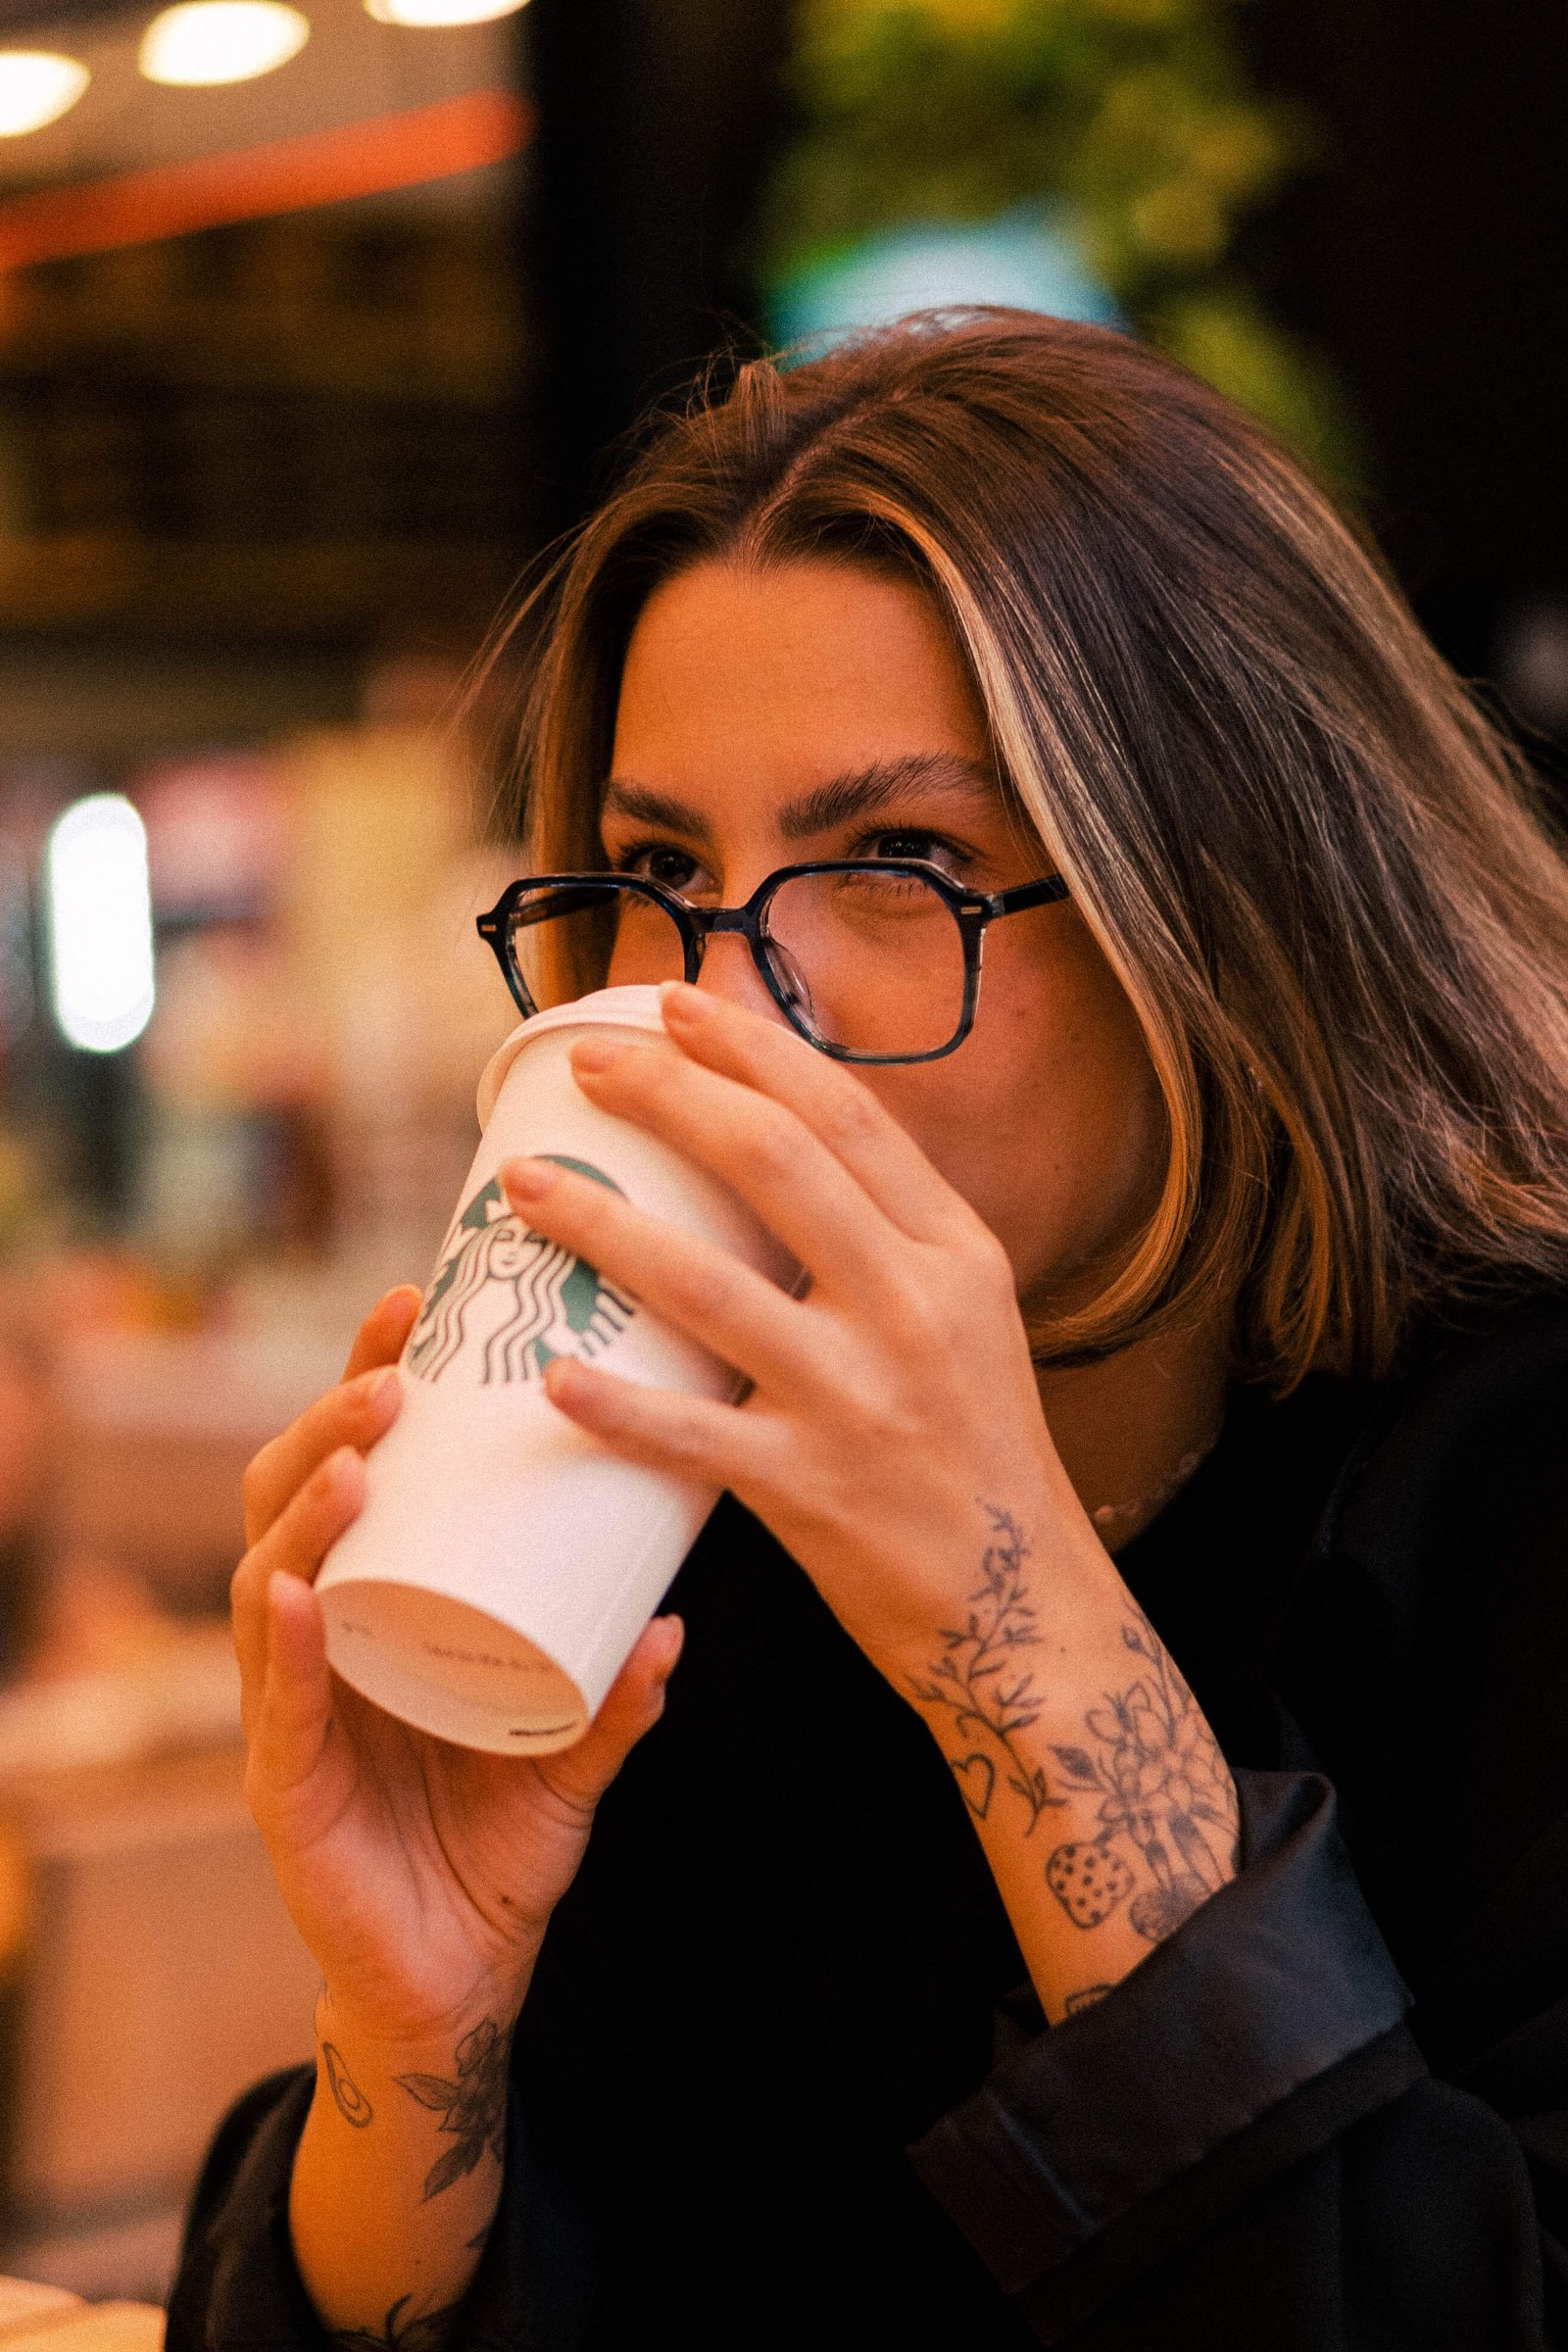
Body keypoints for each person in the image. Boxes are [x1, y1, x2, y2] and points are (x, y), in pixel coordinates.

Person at [169, 313, 1568, 2351]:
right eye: (660, 869)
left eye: (899, 860)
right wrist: (415, 2026)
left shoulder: (1512, 1463)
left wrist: (1016, 1630)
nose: (728, 1012)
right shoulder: (684, 1526)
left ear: (1227, 901)